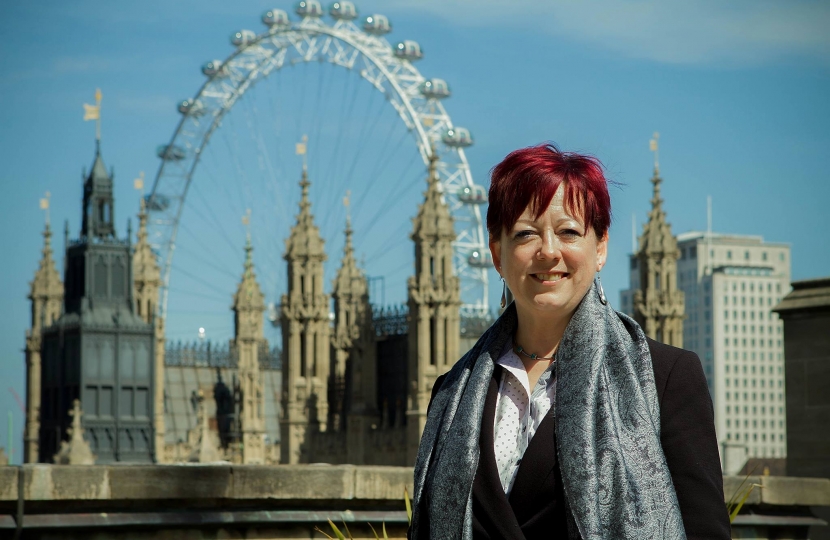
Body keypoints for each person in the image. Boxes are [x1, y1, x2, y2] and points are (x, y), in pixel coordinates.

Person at [409, 144, 730, 539]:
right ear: (497, 253)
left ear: (600, 248)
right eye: (526, 233)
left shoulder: (666, 378)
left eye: (568, 232)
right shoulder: (452, 392)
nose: (548, 251)